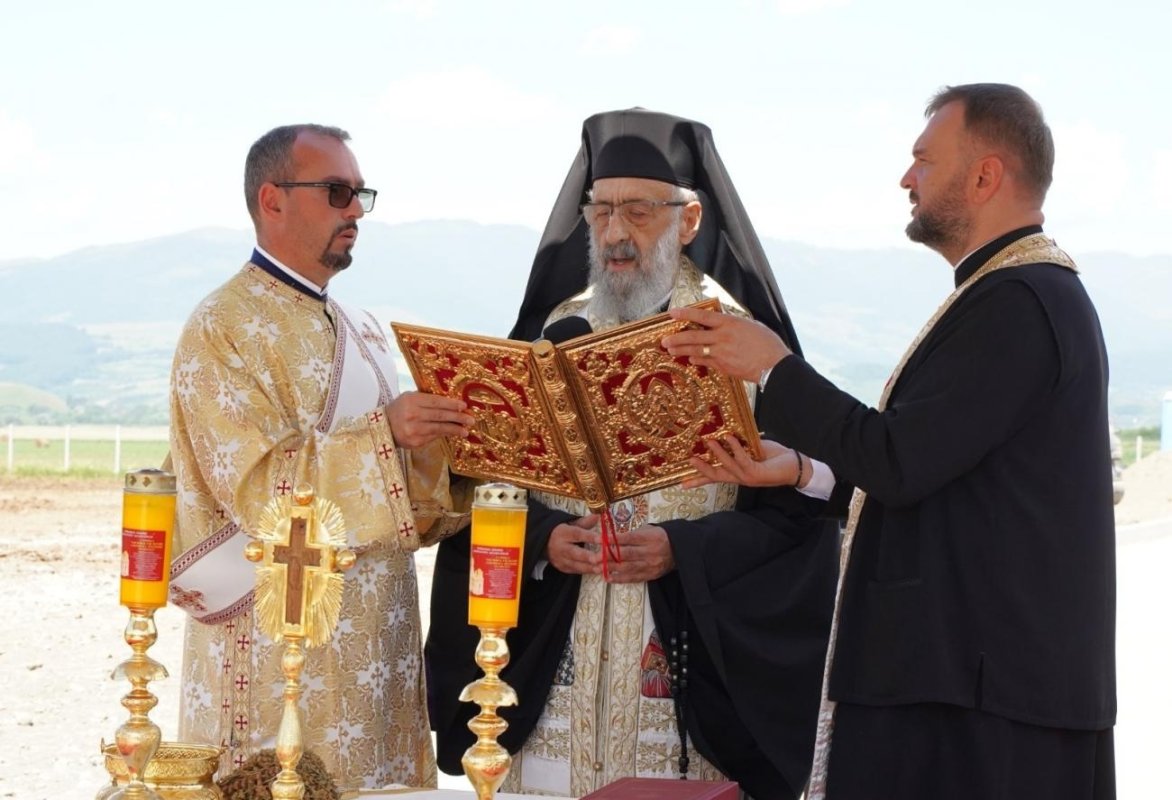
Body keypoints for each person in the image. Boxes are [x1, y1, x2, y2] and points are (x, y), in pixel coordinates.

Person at [665, 84, 1117, 799]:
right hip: (970, 681)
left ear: (984, 176)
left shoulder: (1020, 301)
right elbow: (939, 471)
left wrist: (774, 366)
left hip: (981, 698)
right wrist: (800, 472)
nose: (906, 179)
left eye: (923, 160)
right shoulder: (1009, 294)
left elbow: (901, 462)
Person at [425, 109, 839, 800]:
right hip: (555, 678)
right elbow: (487, 496)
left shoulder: (740, 344)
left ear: (690, 221)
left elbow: (798, 521)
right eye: (602, 212)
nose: (616, 234)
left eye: (640, 212)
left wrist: (685, 547)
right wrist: (547, 540)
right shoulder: (554, 333)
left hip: (682, 678)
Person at [167, 123, 474, 788]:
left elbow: (403, 499)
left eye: (360, 193)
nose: (356, 211)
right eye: (337, 192)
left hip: (375, 644)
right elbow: (253, 490)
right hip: (276, 649)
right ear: (272, 200)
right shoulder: (221, 327)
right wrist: (385, 435)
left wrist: (455, 448)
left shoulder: (361, 327)